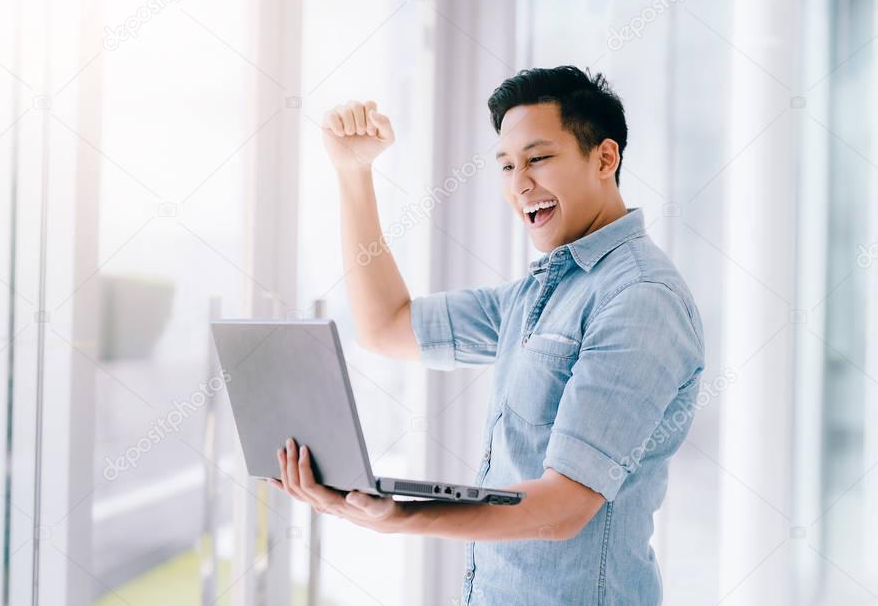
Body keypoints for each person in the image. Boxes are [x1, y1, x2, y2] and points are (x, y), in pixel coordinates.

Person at [269, 65, 706, 605]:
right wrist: (353, 174)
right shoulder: (538, 293)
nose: (520, 184)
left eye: (538, 159)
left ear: (604, 158)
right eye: (506, 165)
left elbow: (565, 506)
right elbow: (387, 326)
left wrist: (399, 515)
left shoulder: (639, 299)